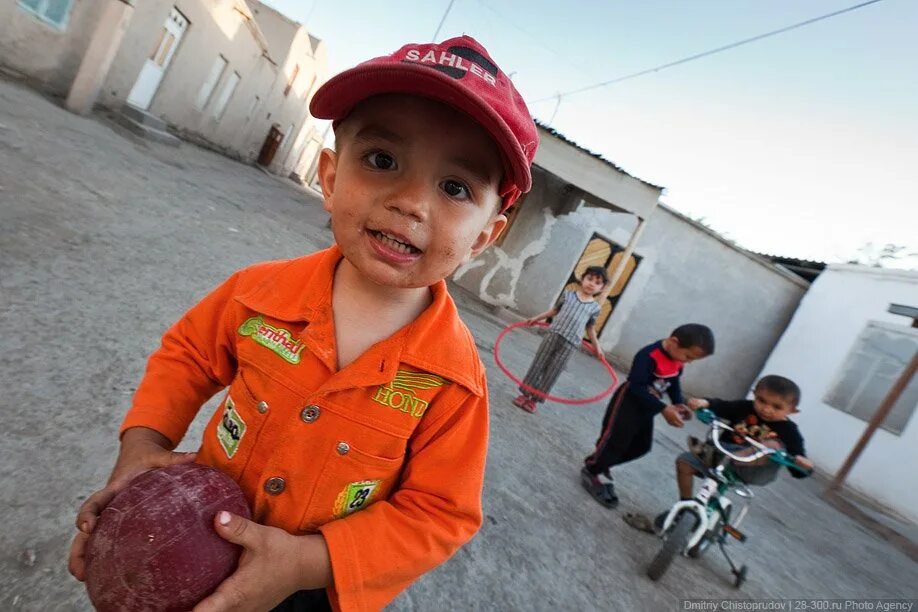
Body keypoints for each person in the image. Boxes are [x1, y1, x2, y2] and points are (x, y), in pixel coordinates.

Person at [67, 35, 539, 612]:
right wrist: (142, 447)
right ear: (331, 176)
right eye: (383, 161)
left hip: (311, 587)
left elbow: (439, 513)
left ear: (485, 238)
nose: (412, 202)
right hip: (190, 537)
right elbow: (187, 355)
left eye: (455, 188)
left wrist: (310, 563)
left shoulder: (454, 383)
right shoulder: (257, 293)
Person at [582, 324, 715, 508]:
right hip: (628, 405)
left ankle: (603, 461)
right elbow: (636, 387)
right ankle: (592, 468)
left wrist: (677, 403)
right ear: (674, 342)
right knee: (614, 442)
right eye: (688, 356)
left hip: (648, 409)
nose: (687, 362)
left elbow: (674, 381)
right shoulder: (648, 356)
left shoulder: (678, 361)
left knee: (641, 446)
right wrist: (663, 409)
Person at [511, 266, 607, 413]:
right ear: (582, 279)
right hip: (553, 334)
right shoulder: (568, 295)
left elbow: (590, 329)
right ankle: (525, 394)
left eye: (597, 282)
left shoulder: (595, 308)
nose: (592, 283)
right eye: (589, 279)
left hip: (570, 343)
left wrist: (597, 347)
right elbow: (554, 311)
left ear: (601, 288)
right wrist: (536, 318)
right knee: (539, 364)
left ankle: (534, 400)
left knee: (552, 371)